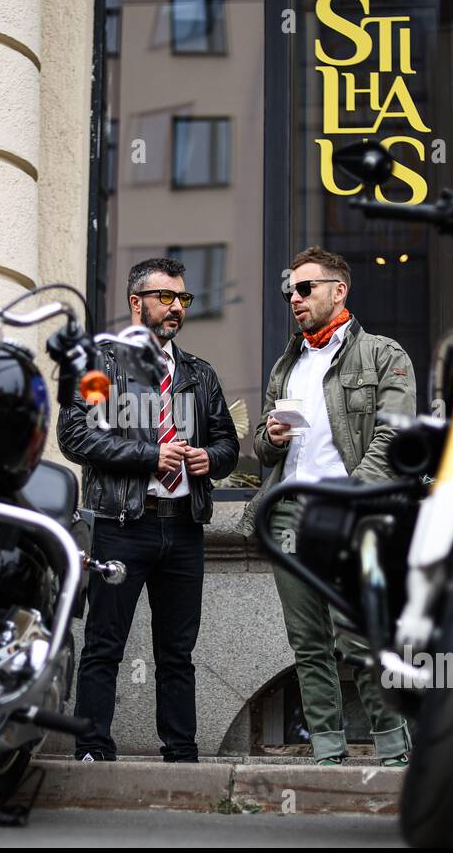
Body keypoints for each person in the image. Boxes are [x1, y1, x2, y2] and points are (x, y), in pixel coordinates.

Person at [239, 245, 416, 766]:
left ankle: (393, 748)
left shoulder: (382, 354)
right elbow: (266, 447)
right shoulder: (288, 362)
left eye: (305, 287)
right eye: (289, 290)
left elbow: (395, 435)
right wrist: (270, 436)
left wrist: (351, 498)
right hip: (290, 512)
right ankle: (327, 752)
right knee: (308, 642)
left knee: (359, 637)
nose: (294, 298)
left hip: (351, 513)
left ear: (339, 291)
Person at [58, 257, 239, 762]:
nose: (177, 307)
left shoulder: (199, 374)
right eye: (166, 297)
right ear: (137, 303)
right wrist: (149, 455)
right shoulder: (101, 365)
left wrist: (211, 459)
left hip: (183, 529)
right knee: (103, 644)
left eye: (184, 298)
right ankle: (93, 748)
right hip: (121, 525)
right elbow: (75, 435)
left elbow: (227, 443)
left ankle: (181, 754)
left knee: (177, 652)